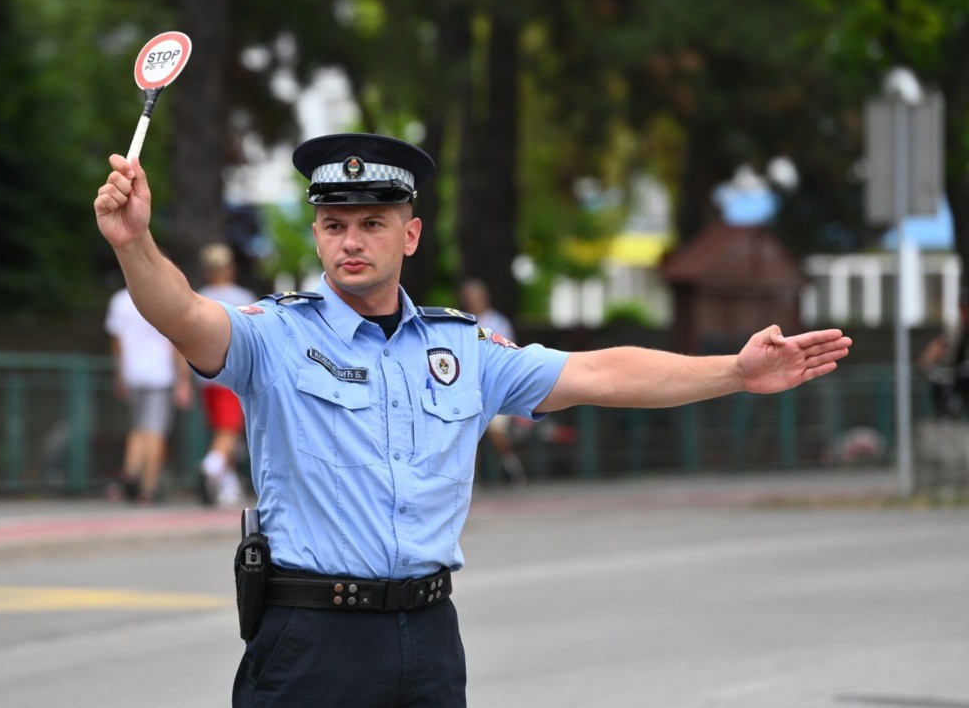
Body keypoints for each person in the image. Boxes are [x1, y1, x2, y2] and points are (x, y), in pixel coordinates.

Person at [94, 132, 851, 706]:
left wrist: (734, 372)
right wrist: (135, 245)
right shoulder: (275, 336)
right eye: (334, 225)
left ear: (410, 234)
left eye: (372, 222)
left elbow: (599, 372)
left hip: (428, 635)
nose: (350, 240)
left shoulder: (461, 348)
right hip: (310, 639)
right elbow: (186, 316)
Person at [105, 285, 192, 504]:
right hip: (160, 373)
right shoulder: (163, 295)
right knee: (155, 431)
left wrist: (121, 373)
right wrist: (183, 380)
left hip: (133, 373)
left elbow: (116, 341)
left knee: (138, 427)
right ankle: (149, 486)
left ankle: (131, 470)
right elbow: (175, 342)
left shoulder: (120, 300)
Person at [196, 242, 257, 507]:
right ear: (230, 268)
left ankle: (228, 488)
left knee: (221, 429)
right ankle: (211, 467)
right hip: (235, 373)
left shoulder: (198, 296)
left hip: (204, 375)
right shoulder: (243, 297)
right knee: (230, 430)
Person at [458, 278, 527, 483]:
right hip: (469, 386)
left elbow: (508, 352)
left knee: (497, 432)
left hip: (495, 385)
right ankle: (471, 479)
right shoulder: (462, 321)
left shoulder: (498, 322)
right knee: (468, 436)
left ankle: (510, 464)